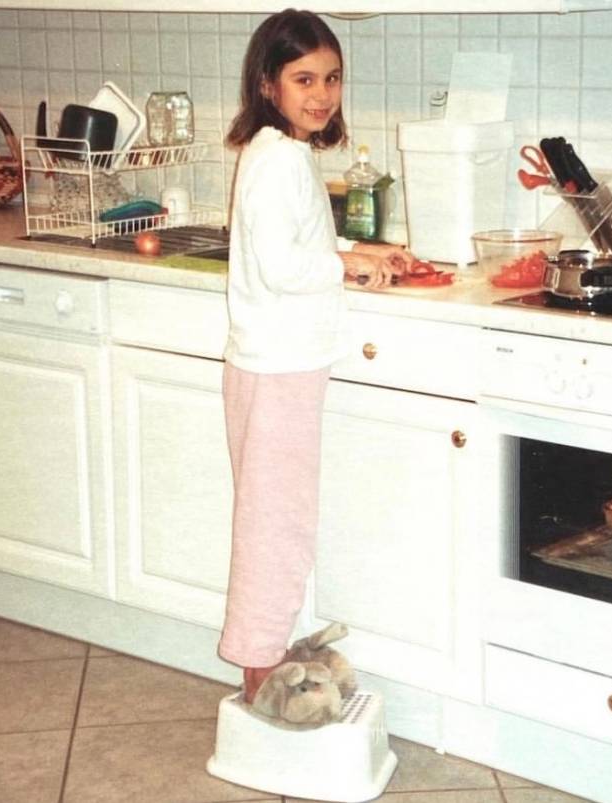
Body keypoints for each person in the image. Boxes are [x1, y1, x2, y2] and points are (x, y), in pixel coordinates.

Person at [218, 8, 413, 705]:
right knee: (276, 525)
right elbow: (280, 267)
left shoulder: (281, 152)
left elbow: (294, 248)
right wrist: (348, 267)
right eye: (304, 78)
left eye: (331, 78)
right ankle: (260, 678)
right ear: (269, 83)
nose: (322, 93)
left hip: (275, 363)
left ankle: (263, 663)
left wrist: (356, 253)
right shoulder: (277, 159)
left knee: (276, 519)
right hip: (278, 368)